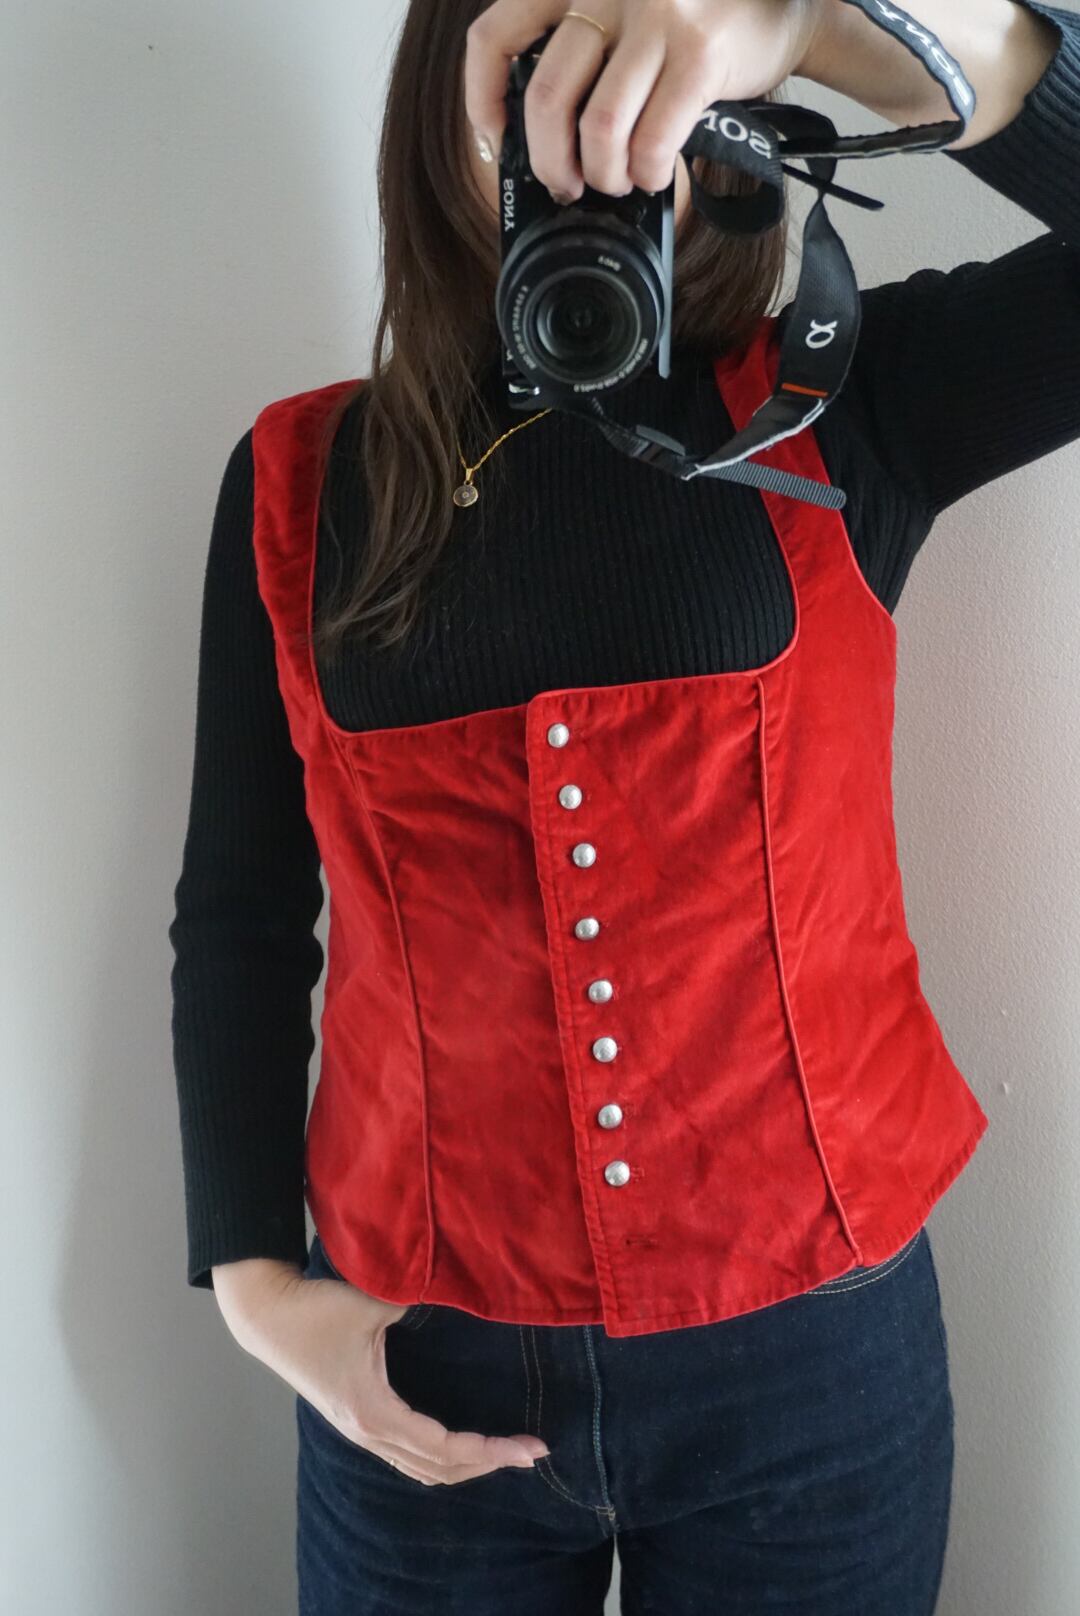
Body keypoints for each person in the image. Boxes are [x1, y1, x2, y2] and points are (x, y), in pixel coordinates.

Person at [167, 1, 1080, 1610]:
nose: (591, 133)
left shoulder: (841, 407)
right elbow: (241, 914)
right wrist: (255, 1285)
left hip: (813, 1364)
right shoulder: (305, 480)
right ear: (442, 103)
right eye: (548, 74)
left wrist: (819, 25)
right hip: (414, 1366)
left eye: (639, 72)